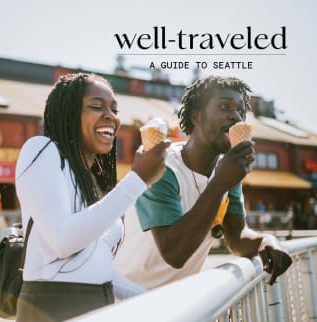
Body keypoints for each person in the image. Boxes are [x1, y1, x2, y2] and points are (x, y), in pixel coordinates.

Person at [14, 72, 169, 321]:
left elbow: (97, 268)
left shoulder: (95, 181)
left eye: (114, 109)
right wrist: (138, 179)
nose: (111, 116)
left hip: (99, 308)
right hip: (50, 310)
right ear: (68, 113)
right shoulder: (41, 150)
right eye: (97, 106)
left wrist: (153, 301)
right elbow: (62, 241)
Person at [115, 76, 292, 290]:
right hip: (126, 299)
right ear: (196, 116)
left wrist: (266, 240)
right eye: (225, 106)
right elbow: (174, 253)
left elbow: (236, 237)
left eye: (241, 111)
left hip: (177, 301)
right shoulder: (162, 167)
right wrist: (219, 184)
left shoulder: (227, 171)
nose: (236, 116)